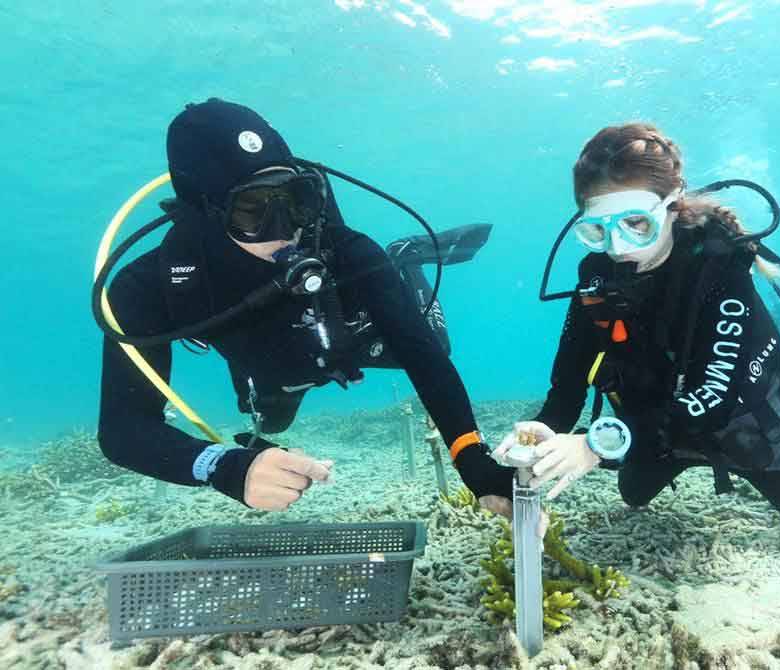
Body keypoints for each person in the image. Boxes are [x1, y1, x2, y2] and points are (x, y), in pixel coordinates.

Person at [97, 98, 513, 512]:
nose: (287, 231)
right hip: (269, 367)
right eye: (252, 210)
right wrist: (225, 467)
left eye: (296, 200)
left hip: (349, 334)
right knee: (271, 423)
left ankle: (404, 259)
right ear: (206, 212)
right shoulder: (147, 288)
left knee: (435, 344)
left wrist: (473, 462)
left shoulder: (348, 251)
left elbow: (423, 359)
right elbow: (123, 430)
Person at [496, 123, 780, 539]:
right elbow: (568, 383)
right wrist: (546, 428)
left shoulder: (719, 268)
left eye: (636, 223)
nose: (619, 247)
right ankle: (664, 454)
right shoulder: (596, 277)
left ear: (672, 204)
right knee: (634, 493)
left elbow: (716, 396)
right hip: (654, 430)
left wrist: (595, 444)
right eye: (598, 230)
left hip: (736, 427)